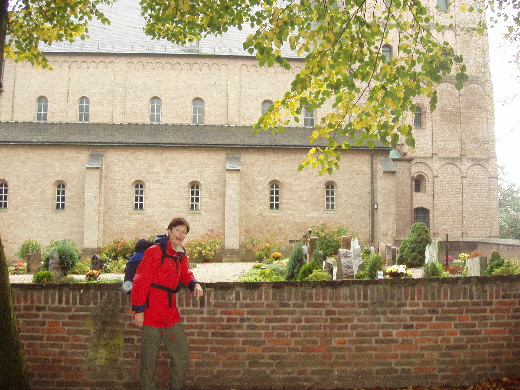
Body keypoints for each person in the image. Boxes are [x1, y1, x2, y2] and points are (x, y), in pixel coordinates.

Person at [131, 217, 203, 390]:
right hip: (151, 312)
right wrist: (138, 310)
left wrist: (195, 283)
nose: (181, 234)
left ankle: (175, 387)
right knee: (149, 359)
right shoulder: (155, 251)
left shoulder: (180, 254)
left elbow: (186, 273)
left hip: (170, 313)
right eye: (178, 230)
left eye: (184, 232)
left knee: (182, 353)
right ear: (169, 231)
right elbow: (141, 280)